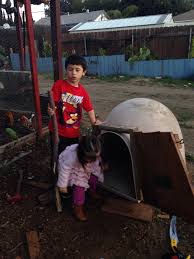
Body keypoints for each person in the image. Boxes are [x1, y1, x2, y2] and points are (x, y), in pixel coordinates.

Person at [48, 54, 100, 155]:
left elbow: (89, 109)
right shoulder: (59, 85)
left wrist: (94, 122)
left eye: (77, 70)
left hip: (74, 133)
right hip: (57, 130)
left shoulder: (82, 92)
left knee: (72, 155)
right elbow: (51, 104)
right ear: (66, 70)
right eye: (70, 69)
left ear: (83, 72)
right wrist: (50, 110)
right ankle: (56, 170)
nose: (73, 73)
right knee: (57, 155)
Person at [57, 135, 104, 221]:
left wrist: (99, 173)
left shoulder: (93, 155)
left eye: (94, 157)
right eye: (90, 158)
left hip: (85, 167)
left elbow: (96, 165)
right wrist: (62, 185)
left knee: (94, 179)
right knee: (79, 189)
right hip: (73, 171)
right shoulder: (72, 156)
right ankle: (77, 209)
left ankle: (91, 191)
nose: (93, 159)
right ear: (81, 153)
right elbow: (65, 169)